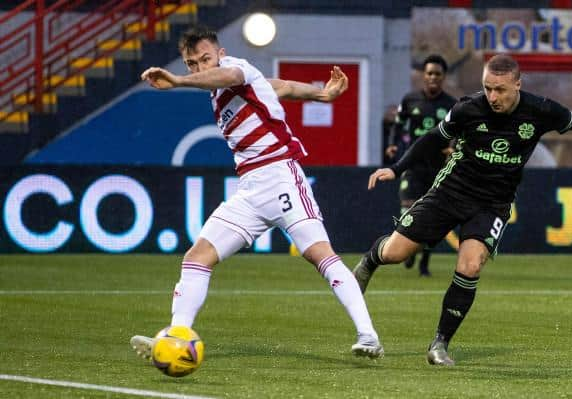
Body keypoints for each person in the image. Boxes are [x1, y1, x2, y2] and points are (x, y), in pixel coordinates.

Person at [353, 54, 572, 366]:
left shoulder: (540, 110)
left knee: (471, 265)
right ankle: (369, 262)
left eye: (500, 90)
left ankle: (440, 344)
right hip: (450, 191)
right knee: (396, 253)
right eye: (488, 88)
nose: (493, 97)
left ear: (518, 84)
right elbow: (433, 138)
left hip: (493, 203)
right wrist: (396, 169)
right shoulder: (467, 109)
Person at [130, 25, 383, 361]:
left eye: (206, 59)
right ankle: (178, 336)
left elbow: (227, 75)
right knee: (196, 257)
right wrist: (320, 94)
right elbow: (283, 86)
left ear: (220, 54)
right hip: (250, 190)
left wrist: (178, 81)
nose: (201, 68)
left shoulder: (237, 68)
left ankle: (368, 336)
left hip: (281, 176)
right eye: (192, 64)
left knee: (320, 254)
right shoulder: (233, 87)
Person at [384, 55, 457, 276]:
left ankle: (424, 264)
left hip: (438, 169)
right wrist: (392, 145)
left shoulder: (452, 105)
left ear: (443, 77)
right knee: (407, 212)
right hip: (413, 166)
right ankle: (409, 251)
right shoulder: (410, 100)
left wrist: (453, 146)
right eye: (429, 73)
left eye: (437, 74)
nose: (433, 77)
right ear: (424, 76)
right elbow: (397, 125)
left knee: (431, 220)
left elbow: (461, 132)